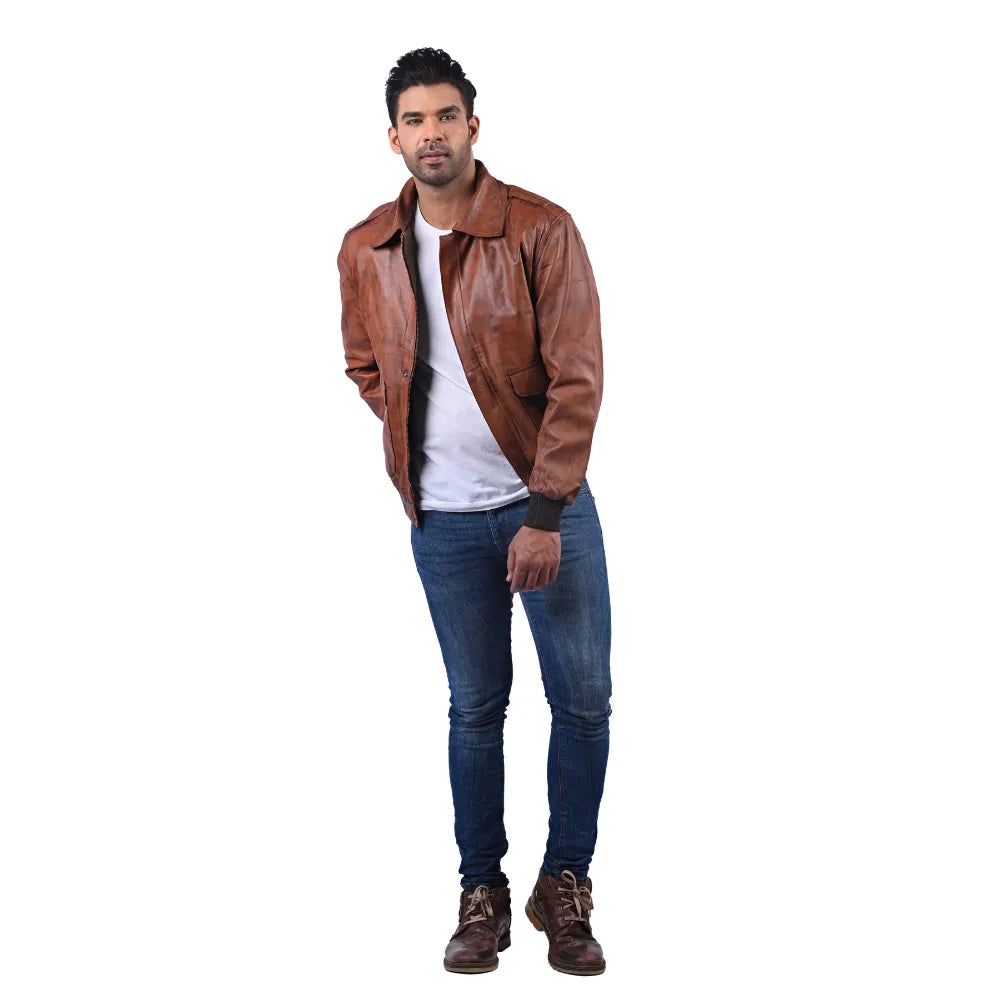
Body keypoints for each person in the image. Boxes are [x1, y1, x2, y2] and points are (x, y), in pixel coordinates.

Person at [337, 47, 612, 976]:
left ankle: (565, 885)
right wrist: (416, 438)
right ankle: (482, 893)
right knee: (474, 710)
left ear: (473, 126)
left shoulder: (539, 229)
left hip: (548, 509)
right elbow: (364, 364)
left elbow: (577, 378)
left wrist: (545, 510)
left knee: (582, 704)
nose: (432, 134)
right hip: (444, 524)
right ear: (393, 137)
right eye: (414, 120)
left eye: (446, 116)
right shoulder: (366, 247)